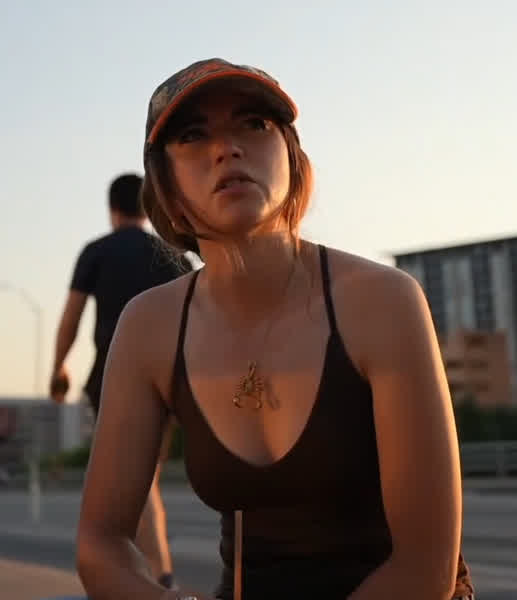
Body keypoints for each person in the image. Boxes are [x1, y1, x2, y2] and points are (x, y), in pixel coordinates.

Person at [76, 58, 475, 600]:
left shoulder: (382, 301)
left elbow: (425, 567)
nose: (227, 148)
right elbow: (100, 543)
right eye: (193, 135)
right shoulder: (149, 327)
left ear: (292, 155)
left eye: (254, 123)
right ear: (166, 184)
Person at [50, 173, 189, 589]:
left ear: (112, 209)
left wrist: (58, 368)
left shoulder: (97, 252)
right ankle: (159, 573)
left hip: (117, 377)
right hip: (175, 374)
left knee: (139, 484)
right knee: (150, 480)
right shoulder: (173, 255)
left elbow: (72, 316)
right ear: (148, 207)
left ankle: (159, 579)